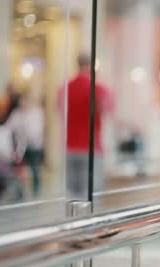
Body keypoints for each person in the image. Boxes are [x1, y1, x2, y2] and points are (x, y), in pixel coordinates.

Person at [58, 53, 114, 199]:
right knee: (91, 196)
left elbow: (58, 110)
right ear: (92, 66)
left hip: (70, 146)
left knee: (72, 195)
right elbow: (109, 110)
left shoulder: (65, 88)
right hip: (91, 147)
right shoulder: (99, 88)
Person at [6, 89, 44, 196]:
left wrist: (24, 130)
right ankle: (20, 190)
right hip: (20, 146)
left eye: (25, 100)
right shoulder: (17, 113)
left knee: (34, 167)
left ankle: (37, 189)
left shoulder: (36, 113)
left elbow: (36, 130)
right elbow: (9, 127)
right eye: (21, 101)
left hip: (34, 146)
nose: (23, 103)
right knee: (19, 168)